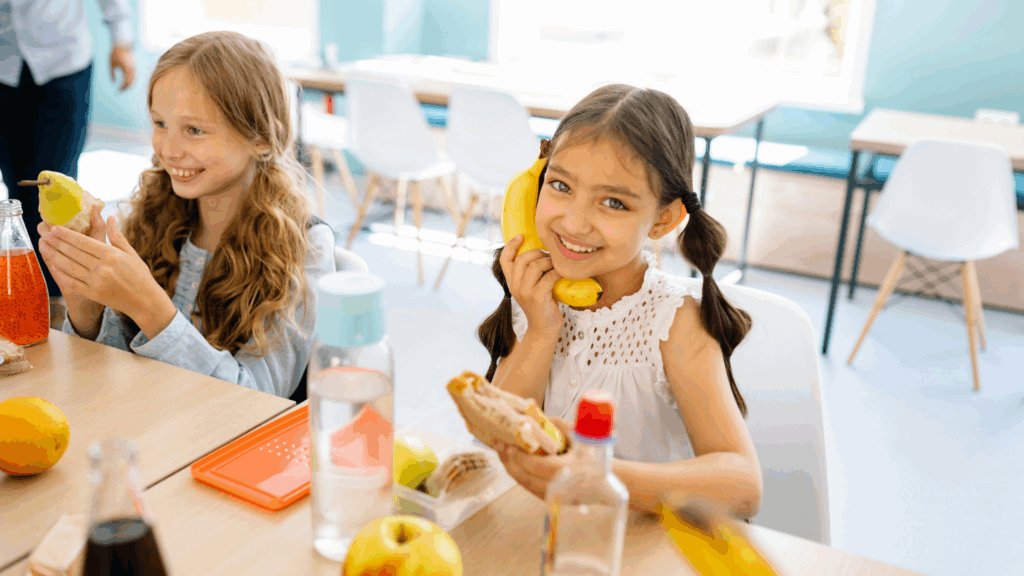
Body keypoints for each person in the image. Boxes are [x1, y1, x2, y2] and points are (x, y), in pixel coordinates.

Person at [476, 84, 763, 518]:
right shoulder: (536, 295)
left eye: (613, 202)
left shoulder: (674, 321)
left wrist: (594, 475)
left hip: (633, 544)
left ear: (663, 219)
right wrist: (541, 329)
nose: (574, 221)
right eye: (560, 186)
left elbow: (743, 485)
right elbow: (497, 439)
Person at [35, 31, 335, 398]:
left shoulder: (306, 248)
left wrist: (150, 308)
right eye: (160, 124)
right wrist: (87, 312)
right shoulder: (152, 214)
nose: (169, 150)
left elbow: (258, 399)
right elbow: (112, 379)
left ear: (259, 136)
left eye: (194, 130)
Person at [0, 0, 137, 326]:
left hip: (63, 63)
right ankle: (28, 295)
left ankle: (65, 301)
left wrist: (122, 40)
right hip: (3, 69)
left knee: (56, 188)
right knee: (17, 189)